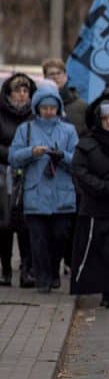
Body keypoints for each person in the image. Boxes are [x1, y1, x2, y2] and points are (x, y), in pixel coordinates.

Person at [9, 84, 79, 293]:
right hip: (35, 195)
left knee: (59, 237)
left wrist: (62, 156)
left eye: (52, 107)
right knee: (38, 240)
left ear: (58, 107)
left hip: (62, 196)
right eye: (44, 108)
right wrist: (32, 152)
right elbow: (13, 157)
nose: (49, 112)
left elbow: (79, 161)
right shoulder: (25, 130)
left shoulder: (68, 130)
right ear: (37, 107)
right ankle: (42, 278)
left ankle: (53, 270)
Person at [70, 97, 109, 307]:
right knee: (99, 252)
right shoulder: (86, 144)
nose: (108, 122)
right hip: (95, 208)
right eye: (104, 118)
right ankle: (107, 292)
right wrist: (104, 188)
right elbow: (80, 172)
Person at [0, 73, 36, 287]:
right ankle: (5, 268)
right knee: (4, 224)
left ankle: (26, 269)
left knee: (25, 224)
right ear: (9, 93)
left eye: (26, 91)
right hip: (3, 173)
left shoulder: (34, 115)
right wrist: (14, 154)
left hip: (28, 173)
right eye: (18, 91)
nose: (22, 95)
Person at [41, 58, 87, 135]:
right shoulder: (36, 105)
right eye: (52, 74)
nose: (55, 77)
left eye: (59, 73)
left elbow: (87, 135)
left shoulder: (81, 106)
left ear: (65, 76)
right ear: (45, 77)